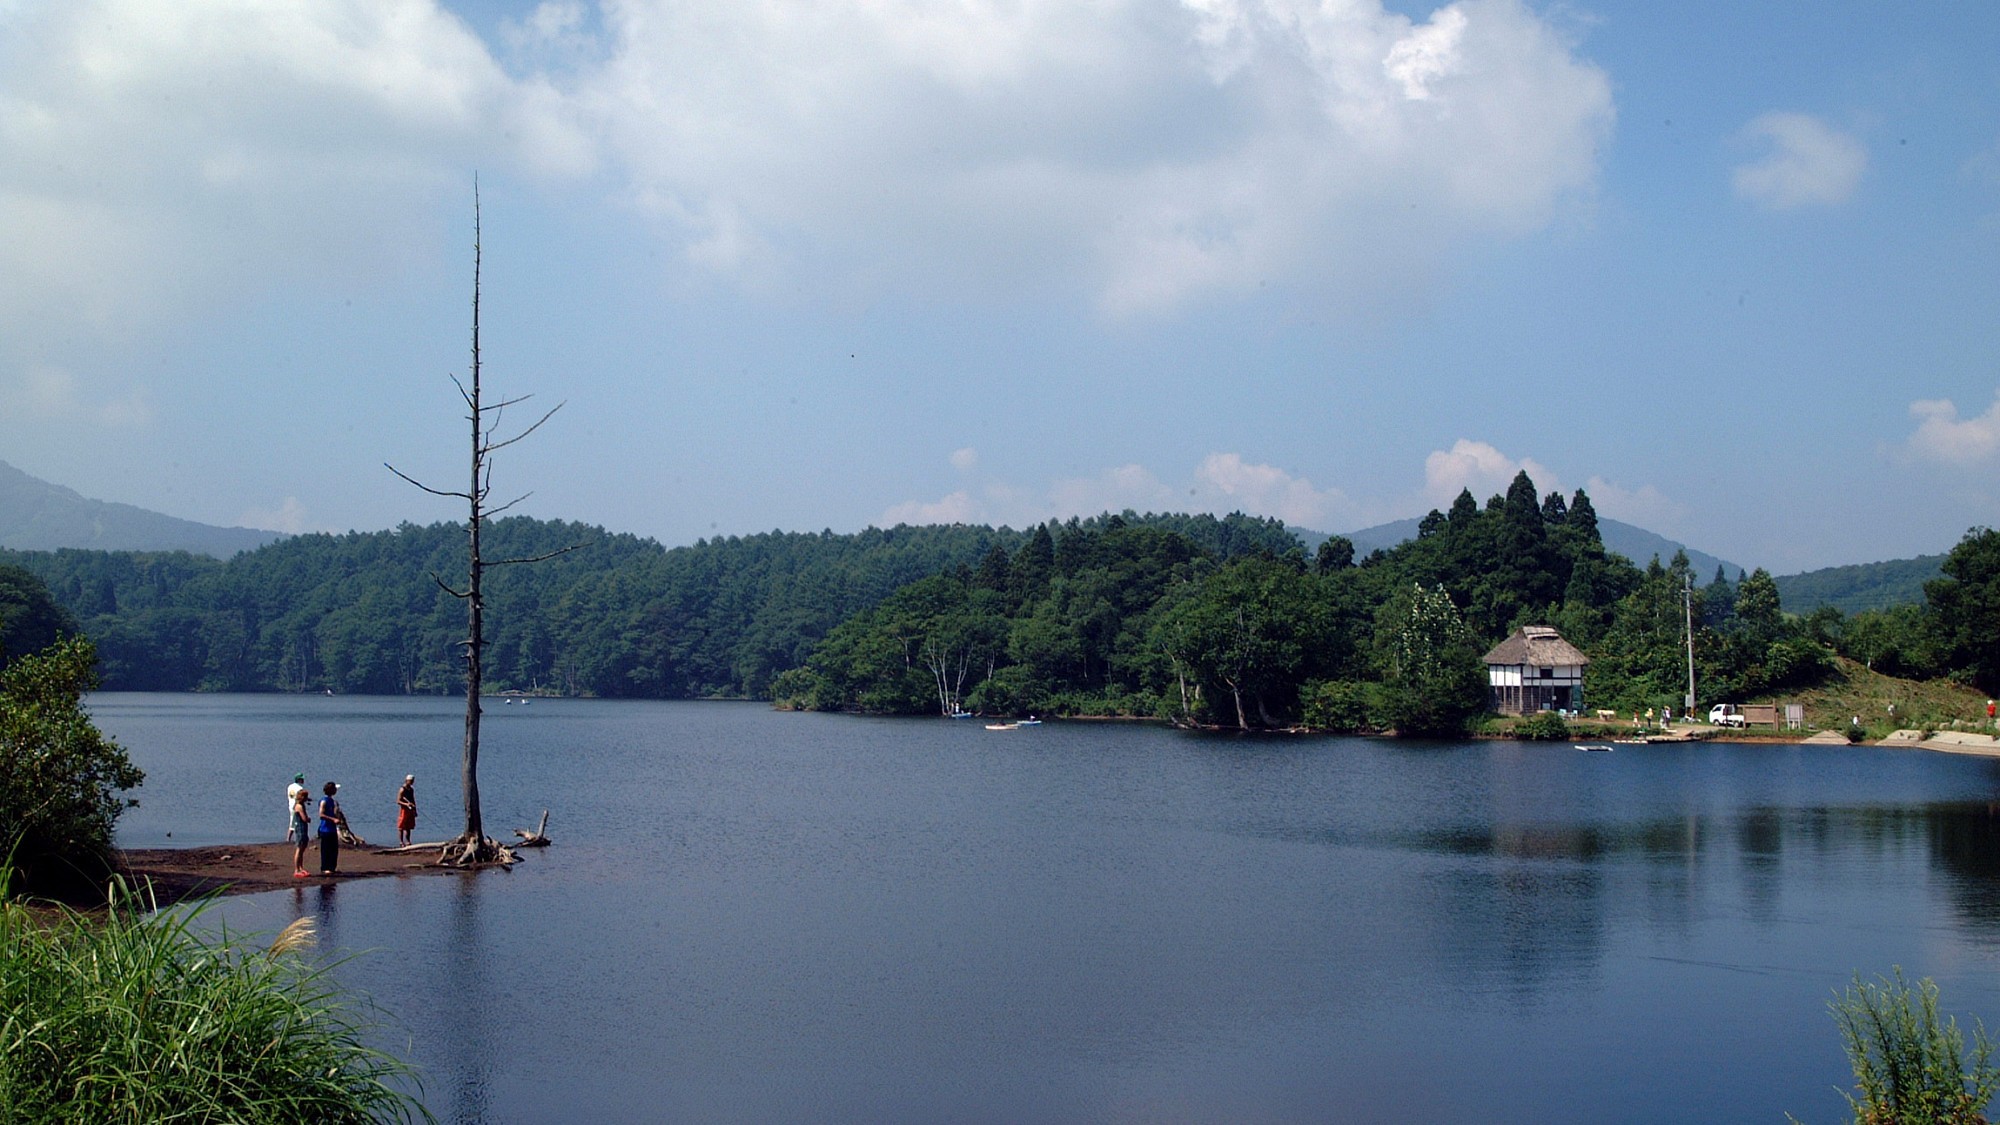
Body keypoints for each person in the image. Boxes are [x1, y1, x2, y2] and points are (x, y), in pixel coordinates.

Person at [317, 782, 350, 875]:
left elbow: (335, 812)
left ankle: (332, 867)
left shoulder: (332, 801)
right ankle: (325, 868)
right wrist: (333, 819)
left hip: (332, 829)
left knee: (334, 849)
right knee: (326, 849)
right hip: (325, 829)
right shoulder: (324, 801)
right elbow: (321, 814)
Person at [291, 786, 313, 878]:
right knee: (299, 849)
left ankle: (300, 867)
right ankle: (296, 869)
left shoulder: (301, 805)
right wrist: (308, 819)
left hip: (303, 828)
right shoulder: (299, 806)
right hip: (300, 828)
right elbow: (304, 818)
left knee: (302, 848)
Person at [396, 774, 418, 846]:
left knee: (409, 826)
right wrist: (406, 804)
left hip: (410, 810)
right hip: (404, 810)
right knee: (401, 826)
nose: (412, 783)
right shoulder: (402, 789)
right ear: (407, 781)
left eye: (412, 781)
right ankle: (401, 842)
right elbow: (398, 801)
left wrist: (415, 810)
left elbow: (413, 799)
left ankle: (408, 841)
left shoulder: (411, 790)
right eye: (410, 781)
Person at [286, 773, 307, 841]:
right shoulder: (300, 788)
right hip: (297, 806)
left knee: (292, 822)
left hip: (291, 806)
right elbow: (300, 797)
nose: (303, 780)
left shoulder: (290, 786)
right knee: (296, 823)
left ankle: (289, 839)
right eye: (302, 779)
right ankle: (292, 839)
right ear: (299, 779)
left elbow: (293, 796)